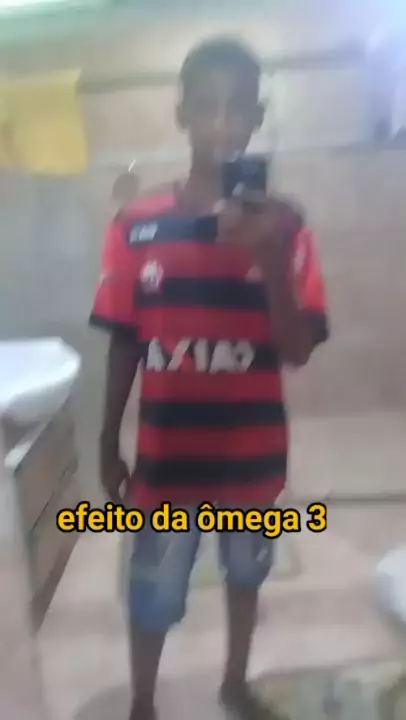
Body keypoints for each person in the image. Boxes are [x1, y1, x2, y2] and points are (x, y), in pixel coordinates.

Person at [89, 37, 329, 720]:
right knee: (152, 591)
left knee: (246, 576)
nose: (222, 124)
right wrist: (107, 440)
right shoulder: (136, 227)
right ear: (182, 115)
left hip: (253, 459)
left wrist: (272, 258)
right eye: (206, 107)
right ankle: (142, 703)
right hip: (166, 462)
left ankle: (234, 683)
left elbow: (297, 350)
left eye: (237, 108)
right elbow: (125, 343)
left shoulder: (287, 226)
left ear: (257, 116)